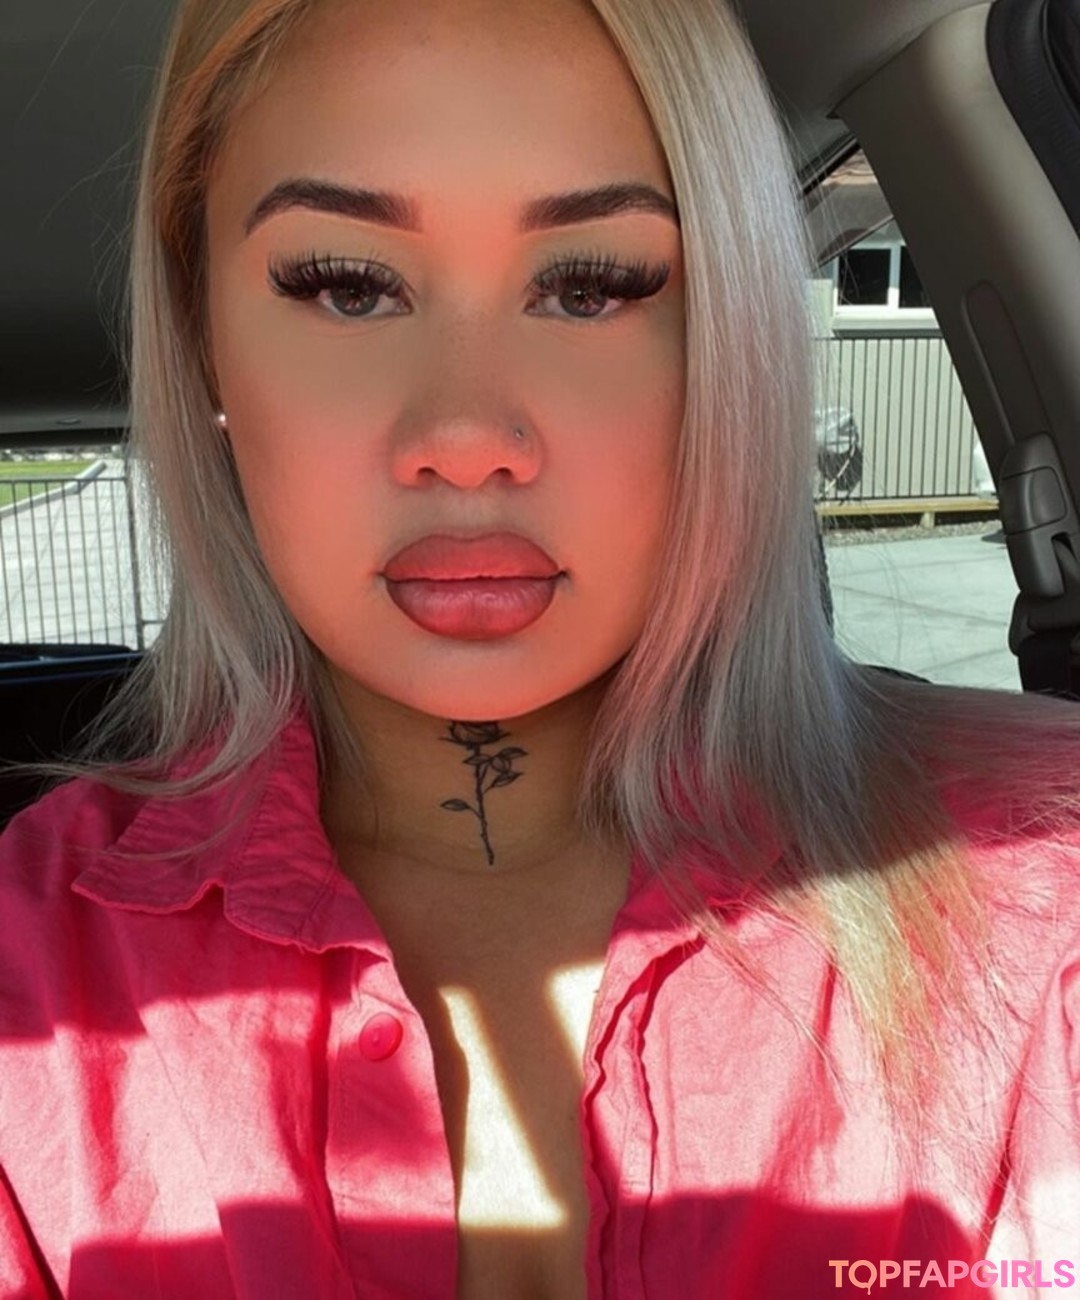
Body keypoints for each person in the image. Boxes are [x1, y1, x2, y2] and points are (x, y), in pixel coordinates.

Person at [3, 0, 1080, 1296]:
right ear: (203, 342)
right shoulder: (32, 977)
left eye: (590, 286)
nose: (468, 439)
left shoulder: (1045, 890)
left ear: (727, 338)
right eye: (347, 285)